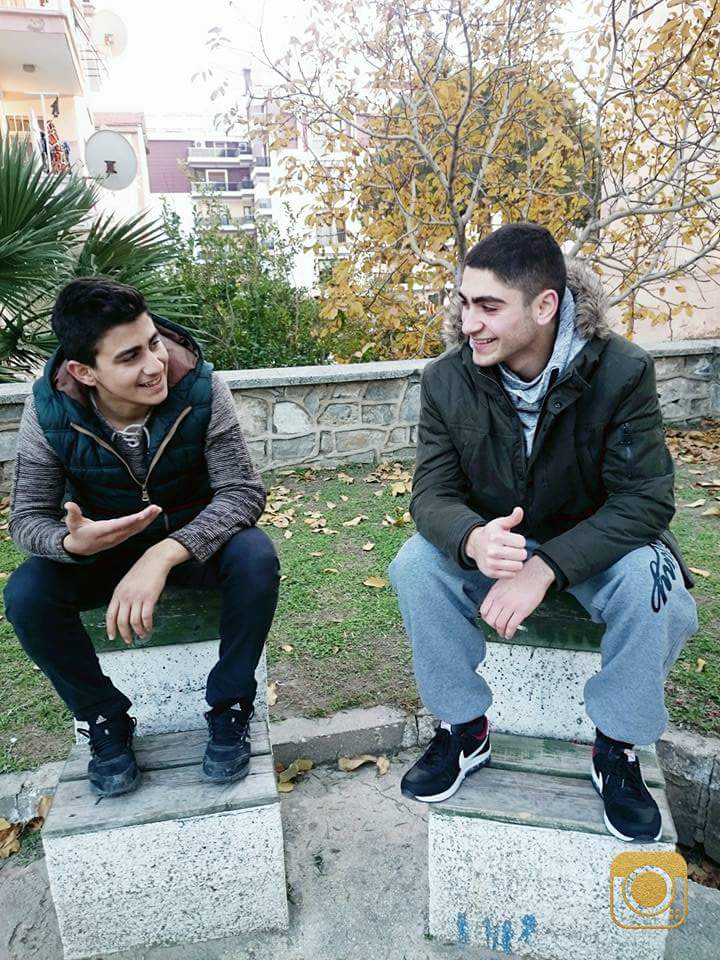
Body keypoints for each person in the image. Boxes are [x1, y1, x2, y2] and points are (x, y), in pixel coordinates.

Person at [389, 223, 699, 842]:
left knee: (657, 588)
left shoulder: (622, 370)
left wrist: (546, 568)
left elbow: (645, 500)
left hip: (596, 542)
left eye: (488, 307)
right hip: (497, 539)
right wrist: (472, 538)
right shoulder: (446, 378)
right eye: (464, 303)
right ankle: (463, 730)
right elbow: (431, 494)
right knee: (415, 565)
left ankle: (616, 747)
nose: (468, 323)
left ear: (545, 305)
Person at [4, 278, 278, 797]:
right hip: (101, 551)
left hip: (190, 542)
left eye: (154, 343)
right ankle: (103, 718)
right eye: (130, 357)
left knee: (255, 556)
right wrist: (70, 544)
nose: (155, 365)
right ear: (84, 371)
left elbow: (242, 493)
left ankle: (231, 704)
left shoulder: (200, 388)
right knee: (26, 594)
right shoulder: (48, 412)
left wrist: (164, 553)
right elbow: (27, 519)